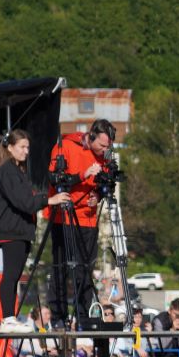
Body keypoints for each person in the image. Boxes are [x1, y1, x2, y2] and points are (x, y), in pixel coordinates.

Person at [0, 130, 73, 316]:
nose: (26, 151)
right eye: (22, 147)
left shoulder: (17, 170)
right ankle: (8, 318)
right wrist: (49, 199)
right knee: (10, 276)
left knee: (14, 276)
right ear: (10, 148)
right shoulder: (8, 171)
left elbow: (25, 200)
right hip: (12, 231)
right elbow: (24, 202)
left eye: (28, 147)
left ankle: (9, 317)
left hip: (19, 230)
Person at [47, 119, 114, 325]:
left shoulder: (104, 157)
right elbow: (54, 179)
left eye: (108, 147)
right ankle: (58, 316)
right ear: (91, 135)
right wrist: (83, 175)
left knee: (85, 268)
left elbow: (104, 185)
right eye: (102, 146)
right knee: (61, 267)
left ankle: (84, 315)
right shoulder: (66, 145)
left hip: (88, 218)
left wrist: (98, 196)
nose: (104, 151)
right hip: (63, 215)